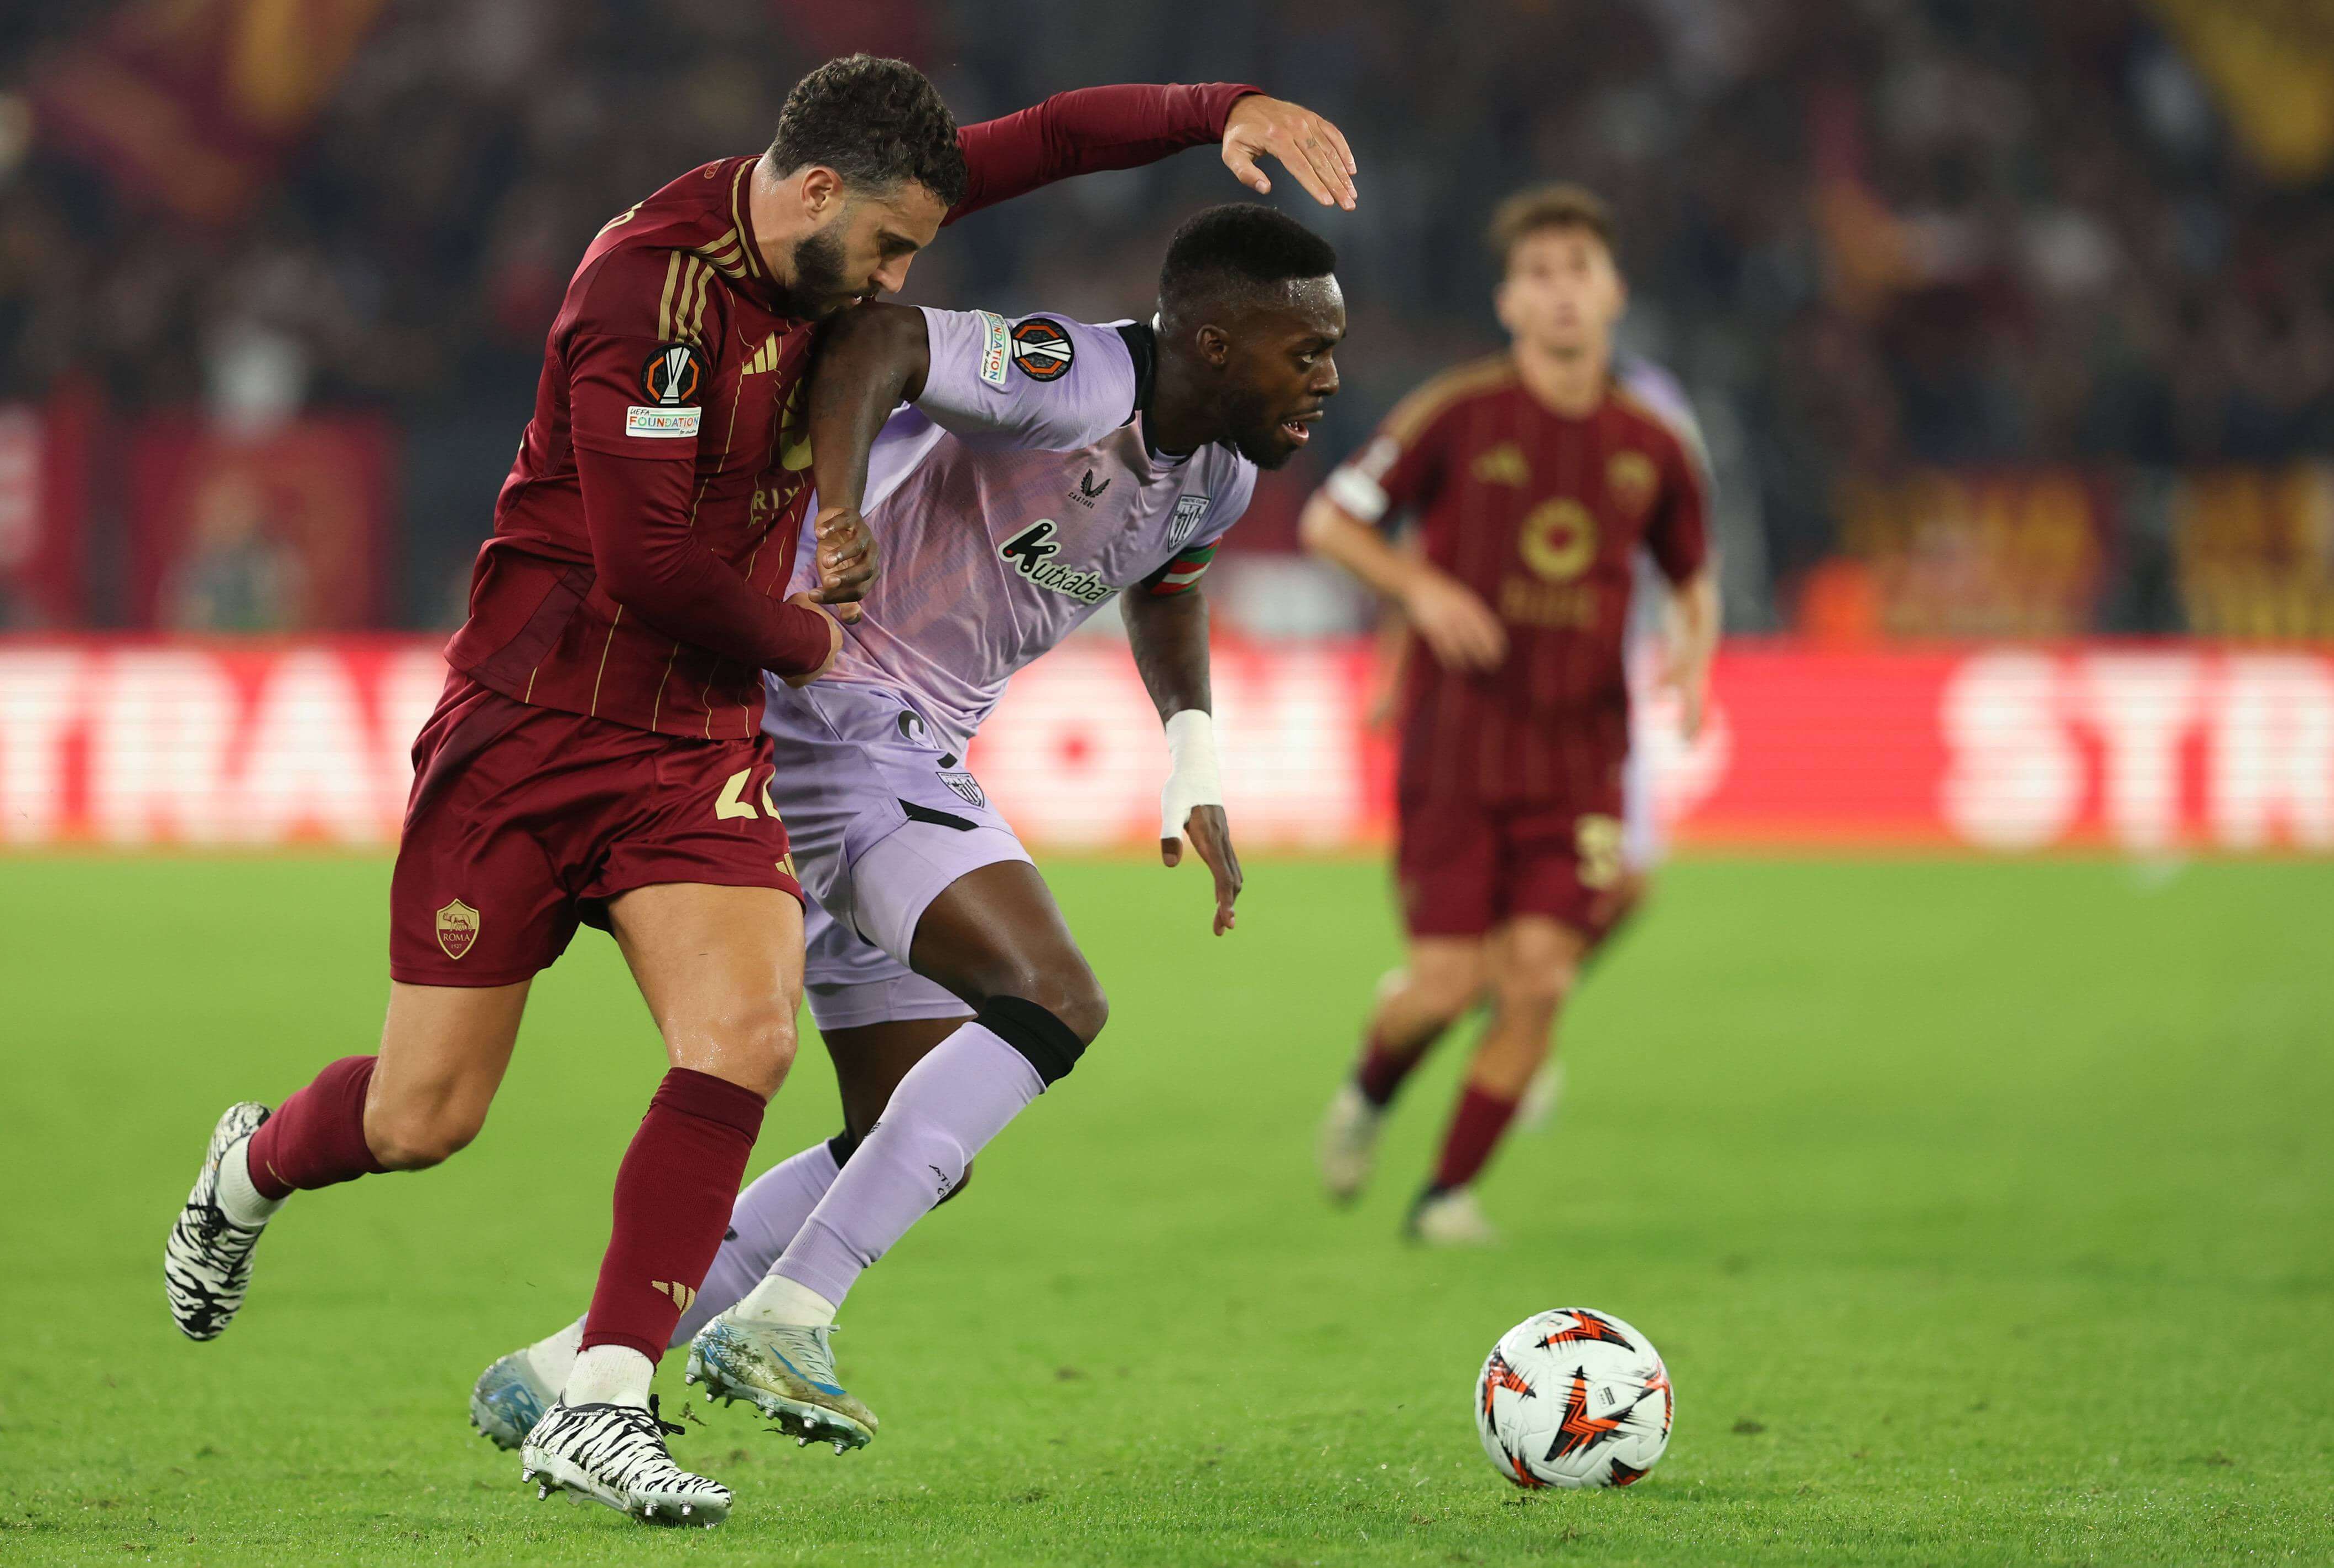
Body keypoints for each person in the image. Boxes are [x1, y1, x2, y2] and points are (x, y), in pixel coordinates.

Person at [160, 54, 1358, 1529]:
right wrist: (820, 613)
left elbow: (1041, 146)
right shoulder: (650, 300)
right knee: (422, 1114)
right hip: (545, 725)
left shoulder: (868, 231)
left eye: (918, 248)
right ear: (809, 194)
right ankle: (255, 1162)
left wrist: (1212, 110)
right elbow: (649, 562)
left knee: (773, 1048)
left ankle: (597, 1391)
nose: (898, 279)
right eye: (888, 247)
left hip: (707, 734)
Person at [465, 202, 1343, 1456]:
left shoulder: (1222, 467)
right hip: (844, 707)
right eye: (1301, 351)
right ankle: (788, 1314)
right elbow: (876, 336)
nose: (1325, 377)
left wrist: (1191, 750)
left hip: (887, 739)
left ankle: (574, 1364)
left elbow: (1169, 577)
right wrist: (837, 510)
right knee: (1052, 998)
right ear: (1208, 340)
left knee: (908, 1132)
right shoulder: (1073, 374)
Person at [1304, 183, 1720, 1245]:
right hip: (1458, 749)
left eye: (1580, 270)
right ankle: (1368, 1091)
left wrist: (1696, 656)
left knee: (1539, 980)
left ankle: (1444, 1198)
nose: (1563, 294)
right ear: (1509, 301)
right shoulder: (1456, 414)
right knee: (1444, 989)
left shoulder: (1655, 443)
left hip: (1581, 756)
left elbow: (1692, 572)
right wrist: (1424, 590)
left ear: (1614, 290)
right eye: (1541, 275)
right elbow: (1331, 521)